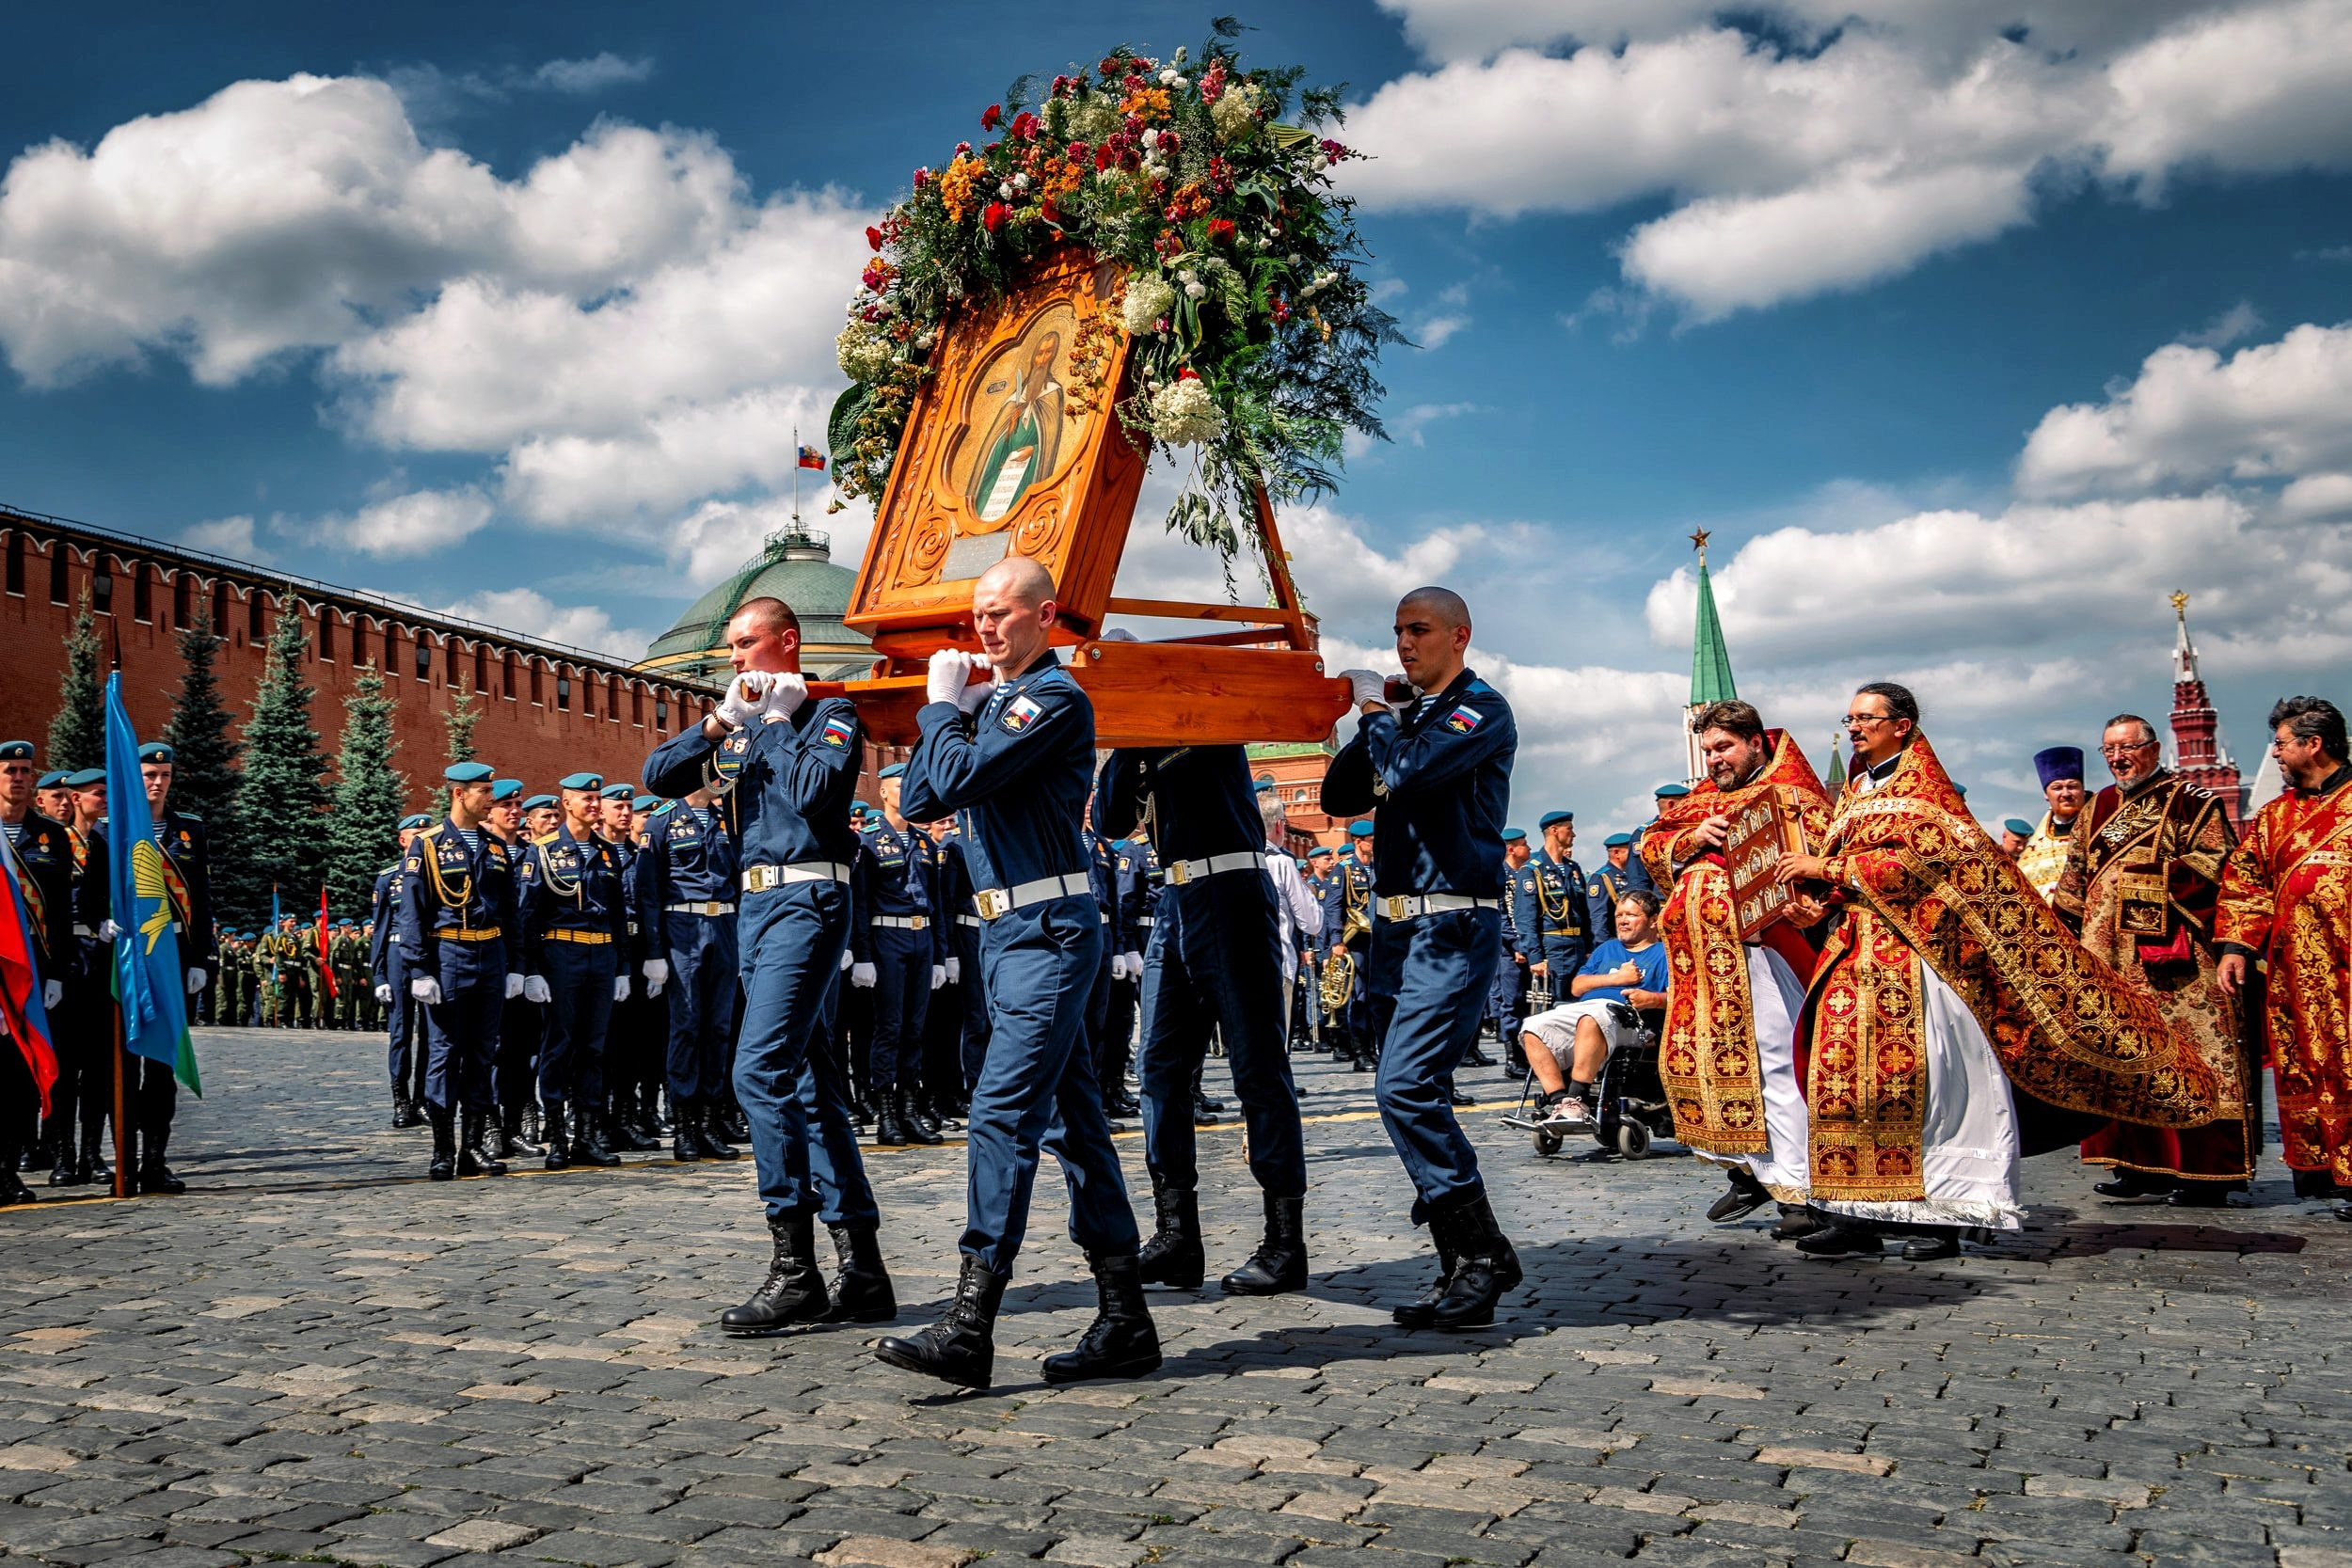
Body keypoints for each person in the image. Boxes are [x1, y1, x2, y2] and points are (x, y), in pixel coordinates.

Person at [1776, 684, 2223, 1260]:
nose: (1855, 727)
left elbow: (1920, 862)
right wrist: (1816, 900)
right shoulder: (1858, 791)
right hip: (1852, 955)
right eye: (1851, 718)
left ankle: (1937, 1217)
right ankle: (1854, 1214)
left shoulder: (1924, 791)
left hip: (1916, 961)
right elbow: (1850, 876)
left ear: (1903, 726)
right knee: (1845, 1084)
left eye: (1866, 718)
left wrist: (1827, 864)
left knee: (1925, 1084)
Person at [878, 556, 1158, 1389]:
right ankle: (1125, 1315)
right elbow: (924, 800)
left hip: (1048, 929)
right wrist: (953, 714)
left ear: (1045, 616)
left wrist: (939, 711)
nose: (986, 627)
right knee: (1074, 1122)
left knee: (1001, 1112)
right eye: (979, 615)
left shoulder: (1054, 697)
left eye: (1003, 612)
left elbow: (956, 774)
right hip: (1009, 934)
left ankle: (970, 1321)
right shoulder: (993, 706)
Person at [644, 595, 895, 1333]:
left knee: (758, 1071)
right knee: (811, 1082)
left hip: (807, 898)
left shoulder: (828, 713)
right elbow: (659, 772)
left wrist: (781, 722)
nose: (735, 657)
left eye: (746, 643)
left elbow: (817, 792)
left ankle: (795, 1267)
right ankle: (864, 1267)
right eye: (729, 646)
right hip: (755, 910)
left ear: (787, 642)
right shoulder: (744, 724)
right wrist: (721, 722)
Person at [1324, 586, 1521, 1330]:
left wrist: (1382, 715)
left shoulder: (1480, 709)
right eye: (1399, 630)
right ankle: (1460, 1261)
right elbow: (1346, 795)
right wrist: (1380, 719)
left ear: (1459, 635)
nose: (1405, 643)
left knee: (1404, 1088)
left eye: (1420, 629)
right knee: (1408, 1091)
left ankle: (1482, 1254)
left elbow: (1407, 774)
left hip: (1450, 926)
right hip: (1396, 934)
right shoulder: (1415, 720)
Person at [1100, 742, 1310, 1296]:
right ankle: (1177, 1238)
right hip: (1176, 898)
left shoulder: (1208, 720)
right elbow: (1110, 819)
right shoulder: (1140, 746)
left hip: (1233, 890)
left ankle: (1285, 1243)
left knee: (1258, 1071)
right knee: (1160, 1071)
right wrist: (1126, 744)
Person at [1638, 702, 1833, 1233]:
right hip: (1699, 964)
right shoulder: (1703, 800)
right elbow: (1652, 843)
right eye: (1706, 752)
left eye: (1723, 748)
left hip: (1762, 951)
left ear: (1756, 742)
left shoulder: (1791, 796)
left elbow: (1820, 864)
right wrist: (1691, 839)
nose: (1713, 762)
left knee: (1774, 1065)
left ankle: (1800, 1191)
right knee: (1701, 1065)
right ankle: (1749, 1171)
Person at [2054, 713, 2253, 1206]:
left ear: (2154, 748)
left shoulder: (2192, 801)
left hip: (2175, 962)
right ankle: (2137, 1165)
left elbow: (2219, 865)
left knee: (2193, 1060)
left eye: (2128, 748)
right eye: (2109, 750)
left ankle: (2205, 1173)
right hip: (2108, 958)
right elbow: (2074, 878)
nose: (2119, 758)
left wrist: (2149, 880)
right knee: (2125, 1059)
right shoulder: (2097, 806)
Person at [2218, 696, 2352, 1212]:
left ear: (2312, 745)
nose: (2274, 753)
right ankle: (2325, 1170)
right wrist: (2236, 945)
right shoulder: (2276, 816)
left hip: (2346, 969)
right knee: (2308, 1067)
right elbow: (2245, 881)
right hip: (2294, 974)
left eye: (2280, 742)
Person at [395, 762, 522, 1182]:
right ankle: (442, 1149)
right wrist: (418, 968)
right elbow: (411, 910)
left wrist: (516, 965)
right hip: (448, 952)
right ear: (458, 794)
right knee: (445, 1053)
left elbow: (511, 912)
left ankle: (472, 1147)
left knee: (483, 1052)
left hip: (491, 952)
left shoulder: (496, 846)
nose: (492, 798)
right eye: (484, 791)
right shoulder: (428, 845)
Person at [518, 772, 632, 1171]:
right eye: (587, 799)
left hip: (600, 958)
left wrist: (622, 967)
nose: (594, 805)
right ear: (566, 803)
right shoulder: (545, 851)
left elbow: (618, 916)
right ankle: (556, 1137)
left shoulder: (606, 851)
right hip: (561, 955)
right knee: (559, 1046)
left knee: (594, 1049)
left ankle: (586, 1135)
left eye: (597, 798)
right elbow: (527, 916)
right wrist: (529, 969)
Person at [636, 781, 742, 1163]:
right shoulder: (661, 823)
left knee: (719, 1028)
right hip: (683, 930)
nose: (725, 778)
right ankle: (684, 1125)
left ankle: (710, 1123)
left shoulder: (728, 818)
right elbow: (647, 891)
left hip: (725, 927)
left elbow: (743, 882)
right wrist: (653, 952)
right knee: (686, 1027)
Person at [127, 743, 212, 1193]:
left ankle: (154, 1161)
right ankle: (123, 1158)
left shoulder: (189, 830)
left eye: (163, 774)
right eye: (148, 774)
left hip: (174, 957)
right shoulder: (114, 826)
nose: (156, 782)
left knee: (161, 1065)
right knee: (124, 1062)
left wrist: (202, 957)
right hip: (128, 960)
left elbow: (200, 897)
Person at [850, 764, 944, 1148]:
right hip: (886, 935)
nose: (908, 793)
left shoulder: (924, 844)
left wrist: (941, 955)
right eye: (900, 787)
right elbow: (859, 902)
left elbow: (935, 903)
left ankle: (908, 1109)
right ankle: (886, 1111)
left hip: (921, 939)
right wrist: (862, 954)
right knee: (888, 1027)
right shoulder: (868, 841)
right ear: (884, 793)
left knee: (914, 1028)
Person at [1521, 890, 1669, 1120]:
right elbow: (1577, 986)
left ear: (1653, 921)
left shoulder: (1664, 953)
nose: (1622, 920)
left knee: (1592, 1018)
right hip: (1587, 1010)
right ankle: (1559, 1101)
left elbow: (1678, 996)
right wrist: (1616, 979)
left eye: (1630, 915)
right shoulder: (1606, 949)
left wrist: (1652, 999)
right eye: (1619, 914)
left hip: (1632, 1021)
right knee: (1533, 1026)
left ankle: (1577, 1098)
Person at [0, 740, 72, 1199]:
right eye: (10, 769)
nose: (19, 777)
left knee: (19, 1077)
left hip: (30, 974)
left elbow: (61, 912)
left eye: (26, 770)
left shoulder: (51, 836)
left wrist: (58, 973)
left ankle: (7, 1170)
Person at [481, 781, 542, 1157]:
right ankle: (490, 1126)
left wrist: (529, 968)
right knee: (491, 1048)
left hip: (525, 961)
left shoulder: (532, 853)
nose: (515, 811)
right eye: (507, 805)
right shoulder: (484, 852)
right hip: (490, 958)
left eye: (518, 804)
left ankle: (516, 1122)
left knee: (522, 1049)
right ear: (490, 810)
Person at [1514, 812, 1595, 1024]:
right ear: (1554, 830)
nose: (1574, 834)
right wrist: (1535, 957)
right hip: (1553, 946)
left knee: (1578, 1002)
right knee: (1554, 1006)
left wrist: (1588, 947)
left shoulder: (1573, 868)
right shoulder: (1532, 870)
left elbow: (1584, 912)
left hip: (1576, 944)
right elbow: (1525, 918)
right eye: (1569, 828)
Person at [1318, 823, 1375, 1069]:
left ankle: (1373, 1048)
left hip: (1376, 939)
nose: (1376, 844)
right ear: (1358, 842)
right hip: (1355, 941)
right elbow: (1332, 907)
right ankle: (1360, 1052)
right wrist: (1336, 940)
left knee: (1376, 996)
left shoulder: (1377, 866)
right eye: (1372, 840)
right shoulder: (1344, 869)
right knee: (1360, 996)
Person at [2017, 745, 2086, 900]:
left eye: (2072, 786)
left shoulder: (2097, 828)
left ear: (2083, 790)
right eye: (2057, 788)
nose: (2066, 794)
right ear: (2046, 795)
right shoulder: (2033, 849)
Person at [1488, 828, 1531, 1079]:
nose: (1529, 848)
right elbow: (1501, 915)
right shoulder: (1500, 875)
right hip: (1508, 952)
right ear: (1511, 849)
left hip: (1525, 948)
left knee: (1527, 1003)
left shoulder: (1525, 873)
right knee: (1511, 1004)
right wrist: (1515, 945)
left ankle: (1527, 1054)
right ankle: (1512, 1057)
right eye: (1524, 844)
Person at [1621, 784, 1690, 900]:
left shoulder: (1691, 830)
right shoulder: (1643, 834)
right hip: (1662, 906)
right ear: (1671, 805)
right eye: (1686, 804)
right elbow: (1638, 879)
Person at [1588, 832, 1633, 934]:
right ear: (1616, 853)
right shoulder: (1601, 877)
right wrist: (1603, 944)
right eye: (1630, 852)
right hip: (1615, 937)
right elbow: (1598, 915)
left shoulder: (1633, 875)